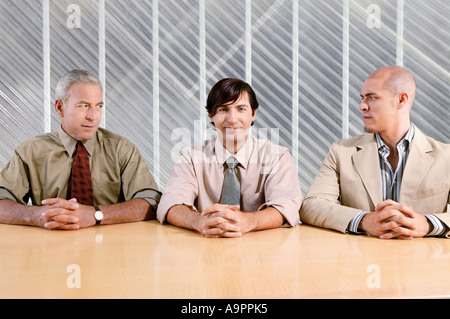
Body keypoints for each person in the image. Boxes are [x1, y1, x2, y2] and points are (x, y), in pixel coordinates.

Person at [300, 66, 450, 239]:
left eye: (372, 98)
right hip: (362, 261)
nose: (362, 106)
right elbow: (311, 205)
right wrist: (363, 220)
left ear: (401, 100)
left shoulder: (446, 156)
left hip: (424, 262)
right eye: (363, 98)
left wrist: (429, 223)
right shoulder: (341, 152)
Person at [0, 69, 160, 230]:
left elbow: (151, 201)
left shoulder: (121, 149)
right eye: (83, 106)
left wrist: (95, 214)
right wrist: (36, 215)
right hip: (50, 248)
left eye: (98, 106)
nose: (93, 116)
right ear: (60, 107)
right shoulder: (31, 151)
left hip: (111, 249)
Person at [156, 78, 303, 237]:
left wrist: (247, 221)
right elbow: (171, 204)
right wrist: (200, 221)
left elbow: (286, 206)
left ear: (253, 114)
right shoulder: (190, 157)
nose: (232, 119)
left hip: (261, 250)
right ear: (211, 115)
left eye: (241, 109)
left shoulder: (277, 157)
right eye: (223, 109)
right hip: (205, 247)